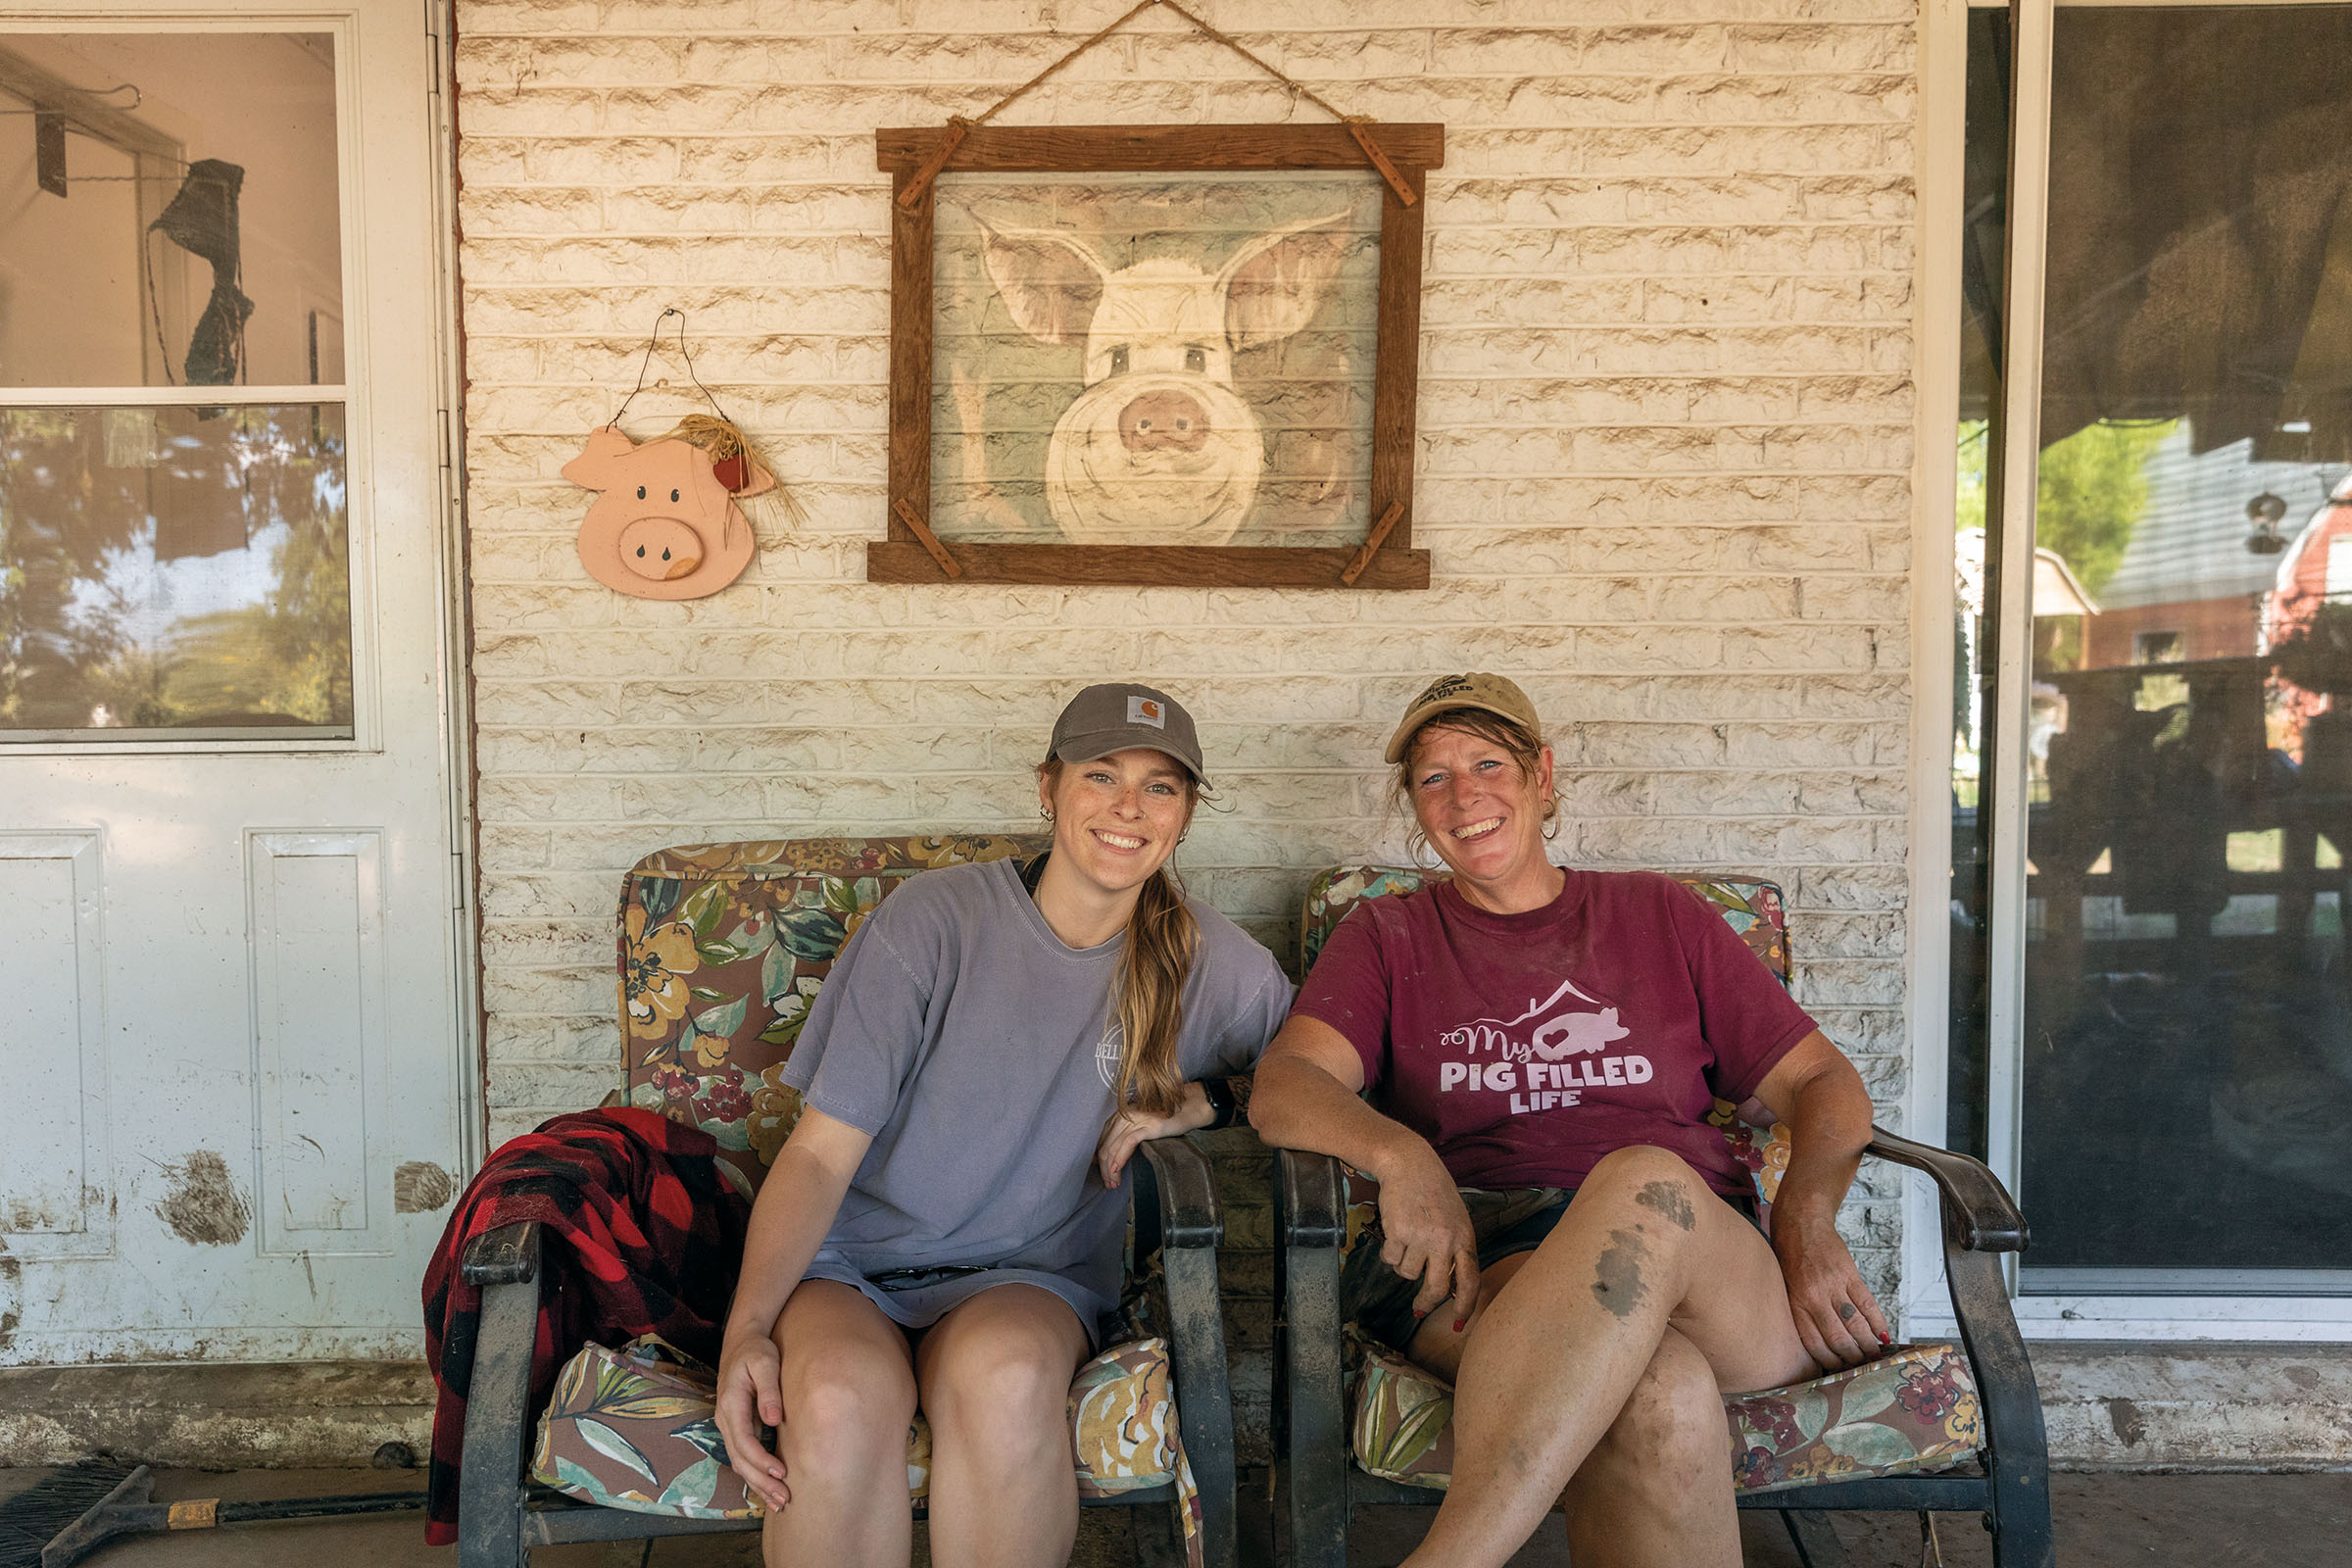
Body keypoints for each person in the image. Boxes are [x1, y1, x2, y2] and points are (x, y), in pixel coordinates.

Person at [1248, 672, 1890, 1568]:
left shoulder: (1662, 915)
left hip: (1708, 1267)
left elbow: (1823, 1081)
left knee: (1644, 1180)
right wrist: (1403, 1155)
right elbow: (1284, 1087)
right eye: (1432, 778)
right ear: (1413, 806)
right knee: (1655, 1390)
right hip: (1498, 1259)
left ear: (1543, 777)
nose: (1464, 795)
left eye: (1488, 764)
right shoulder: (1387, 936)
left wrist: (1807, 1216)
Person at [710, 683, 1291, 1568]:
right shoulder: (934, 921)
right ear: (1049, 788)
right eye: (1101, 775)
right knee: (832, 1395)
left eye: (1161, 786)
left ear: (1185, 814)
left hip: (1029, 1277)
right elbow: (823, 1155)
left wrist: (1205, 1101)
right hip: (854, 1267)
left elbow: (1322, 1073)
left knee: (1008, 1380)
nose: (1127, 807)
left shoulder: (1214, 962)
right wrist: (747, 1328)